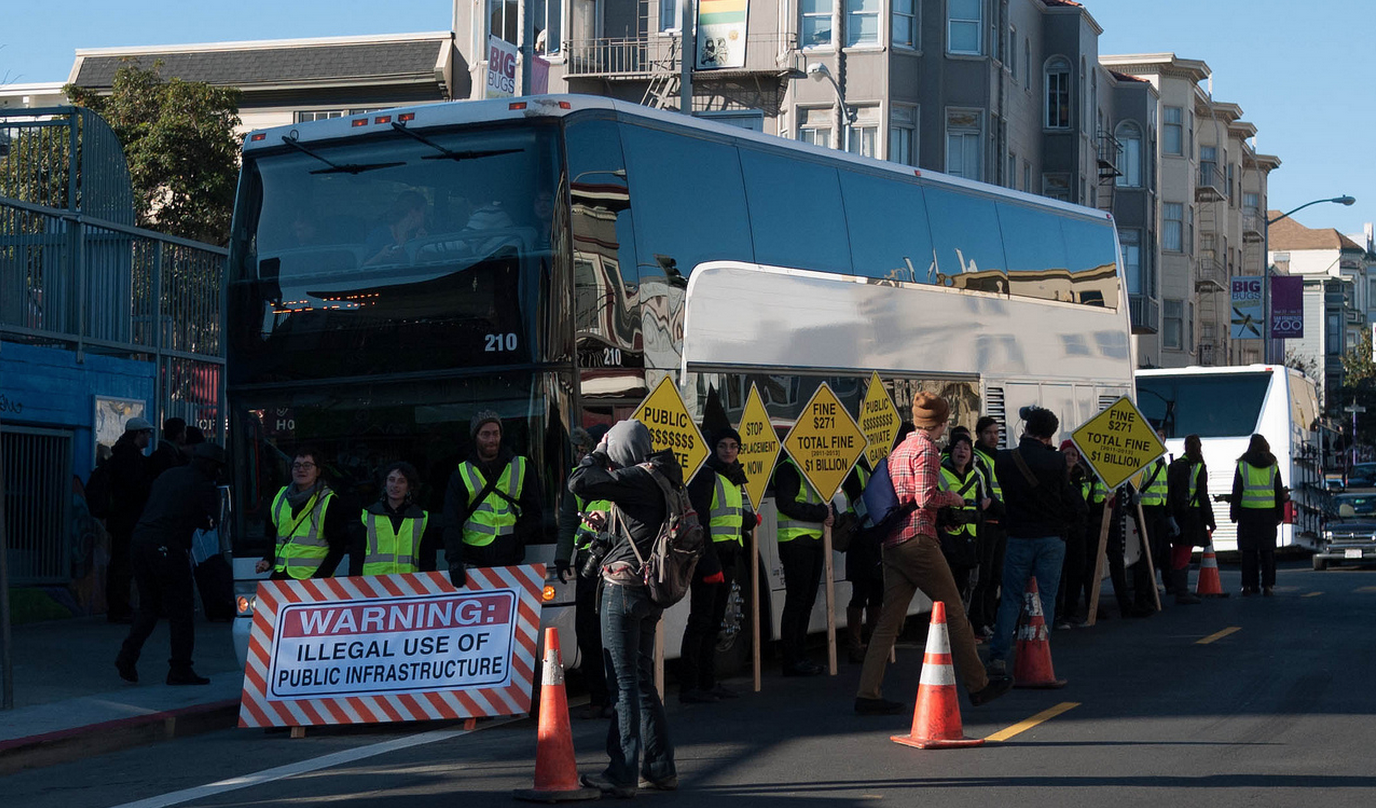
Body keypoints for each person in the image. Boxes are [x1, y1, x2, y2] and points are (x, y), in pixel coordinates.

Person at [854, 393, 1012, 716]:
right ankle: (979, 685)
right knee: (953, 610)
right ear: (940, 423)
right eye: (945, 422)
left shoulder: (899, 450)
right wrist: (952, 499)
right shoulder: (926, 449)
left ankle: (867, 692)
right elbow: (926, 498)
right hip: (918, 541)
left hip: (893, 544)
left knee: (888, 622)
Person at [568, 419, 678, 797]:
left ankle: (622, 772)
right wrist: (608, 526)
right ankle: (661, 768)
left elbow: (578, 482)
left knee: (624, 684)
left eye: (611, 450)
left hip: (624, 589)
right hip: (650, 590)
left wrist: (597, 450)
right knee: (643, 682)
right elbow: (643, 527)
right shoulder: (665, 476)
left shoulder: (636, 477)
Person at [115, 442, 227, 685]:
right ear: (212, 466)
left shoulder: (169, 475)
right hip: (167, 545)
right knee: (182, 610)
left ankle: (127, 656)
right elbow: (209, 523)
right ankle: (180, 668)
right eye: (218, 468)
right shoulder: (203, 484)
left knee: (149, 607)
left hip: (140, 541)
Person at [986, 406, 1075, 678]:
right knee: (1044, 598)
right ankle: (1039, 654)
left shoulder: (1006, 459)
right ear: (1049, 435)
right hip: (1050, 537)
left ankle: (998, 657)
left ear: (1026, 428)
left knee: (1011, 598)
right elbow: (1064, 497)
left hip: (1018, 536)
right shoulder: (1057, 461)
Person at [680, 427, 752, 703]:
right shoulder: (706, 476)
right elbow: (700, 522)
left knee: (714, 623)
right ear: (713, 448)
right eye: (722, 445)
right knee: (700, 621)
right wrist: (709, 565)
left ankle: (708, 682)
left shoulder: (732, 477)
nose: (728, 450)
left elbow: (727, 514)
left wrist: (748, 520)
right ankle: (690, 686)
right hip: (710, 560)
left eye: (733, 446)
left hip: (730, 555)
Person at [442, 411, 543, 586]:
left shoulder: (521, 466)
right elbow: (451, 522)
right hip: (473, 563)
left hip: (511, 561)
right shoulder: (461, 473)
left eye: (495, 433)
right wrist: (455, 561)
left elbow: (534, 512)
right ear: (475, 437)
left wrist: (516, 539)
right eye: (486, 434)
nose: (491, 440)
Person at [554, 424, 613, 719]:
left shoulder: (620, 475)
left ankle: (615, 698)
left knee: (612, 633)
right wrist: (562, 558)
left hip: (615, 563)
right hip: (588, 563)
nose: (580, 455)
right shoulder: (579, 480)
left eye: (584, 450)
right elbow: (567, 521)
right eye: (578, 451)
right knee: (587, 633)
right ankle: (597, 698)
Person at [254, 447, 357, 579]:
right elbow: (273, 537)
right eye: (296, 465)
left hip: (313, 581)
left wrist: (319, 577)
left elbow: (338, 548)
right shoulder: (280, 497)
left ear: (318, 471)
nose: (301, 469)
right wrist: (267, 561)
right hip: (281, 577)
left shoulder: (329, 501)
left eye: (307, 466)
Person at [771, 454, 832, 677]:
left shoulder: (813, 467)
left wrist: (829, 511)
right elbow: (786, 504)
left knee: (806, 602)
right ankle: (792, 660)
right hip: (795, 542)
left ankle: (800, 656)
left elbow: (823, 500)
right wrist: (821, 513)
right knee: (797, 602)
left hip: (813, 540)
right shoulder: (788, 468)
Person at [938, 431, 994, 614]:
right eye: (957, 447)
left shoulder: (976, 476)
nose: (961, 452)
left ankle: (961, 629)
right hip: (947, 540)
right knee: (947, 590)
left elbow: (982, 506)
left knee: (966, 588)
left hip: (970, 541)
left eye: (966, 448)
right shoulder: (939, 473)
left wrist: (974, 516)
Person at [106, 417, 155, 623]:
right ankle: (120, 608)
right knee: (124, 565)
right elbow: (137, 488)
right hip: (128, 519)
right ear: (138, 434)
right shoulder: (130, 458)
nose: (149, 438)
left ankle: (119, 606)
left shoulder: (121, 454)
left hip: (120, 519)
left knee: (121, 563)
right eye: (147, 433)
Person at [1231, 434, 1287, 596]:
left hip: (1247, 513)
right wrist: (1279, 514)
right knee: (1267, 552)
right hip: (1268, 515)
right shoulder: (1273, 465)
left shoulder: (1243, 465)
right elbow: (1278, 493)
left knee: (1248, 551)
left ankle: (1248, 585)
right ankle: (1267, 585)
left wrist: (1234, 514)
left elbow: (1237, 492)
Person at [360, 462, 440, 575]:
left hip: (410, 586)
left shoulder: (421, 518)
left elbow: (428, 560)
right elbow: (356, 557)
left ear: (410, 487)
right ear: (385, 483)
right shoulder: (368, 516)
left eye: (401, 481)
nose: (395, 485)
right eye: (391, 480)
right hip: (373, 586)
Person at [841, 457, 882, 665]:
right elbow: (858, 498)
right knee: (861, 591)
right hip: (861, 537)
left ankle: (874, 645)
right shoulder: (855, 469)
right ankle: (856, 647)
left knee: (877, 591)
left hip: (876, 535)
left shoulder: (874, 468)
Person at [968, 415, 1006, 639]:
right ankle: (979, 621)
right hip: (987, 523)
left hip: (1001, 522)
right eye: (989, 433)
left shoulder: (999, 457)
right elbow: (986, 493)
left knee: (996, 576)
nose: (994, 437)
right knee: (983, 577)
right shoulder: (978, 459)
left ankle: (990, 620)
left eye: (996, 432)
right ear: (979, 435)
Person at [1166, 435, 1210, 605]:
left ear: (1185, 447)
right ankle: (1182, 592)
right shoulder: (1199, 467)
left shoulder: (1175, 465)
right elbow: (1202, 495)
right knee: (1185, 552)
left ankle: (1176, 588)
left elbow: (1169, 492)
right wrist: (1210, 520)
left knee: (1177, 550)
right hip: (1192, 515)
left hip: (1176, 514)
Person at [1053, 440, 1091, 629]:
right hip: (1061, 529)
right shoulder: (1055, 476)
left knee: (1077, 572)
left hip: (1079, 530)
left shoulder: (1083, 476)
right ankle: (1057, 614)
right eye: (1067, 453)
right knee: (1060, 574)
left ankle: (1071, 612)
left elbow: (1088, 501)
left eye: (1073, 454)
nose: (1070, 458)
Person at [1138, 428, 1173, 592]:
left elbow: (1165, 489)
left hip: (1159, 509)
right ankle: (1146, 589)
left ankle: (1156, 586)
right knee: (1148, 551)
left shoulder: (1162, 461)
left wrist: (1168, 514)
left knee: (1160, 550)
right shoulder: (1144, 459)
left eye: (1162, 436)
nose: (1160, 439)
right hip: (1146, 509)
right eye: (1156, 435)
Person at [364, 189, 427, 265]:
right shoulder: (379, 234)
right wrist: (380, 256)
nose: (425, 217)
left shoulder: (418, 236)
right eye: (424, 211)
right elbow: (362, 267)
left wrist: (420, 245)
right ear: (413, 211)